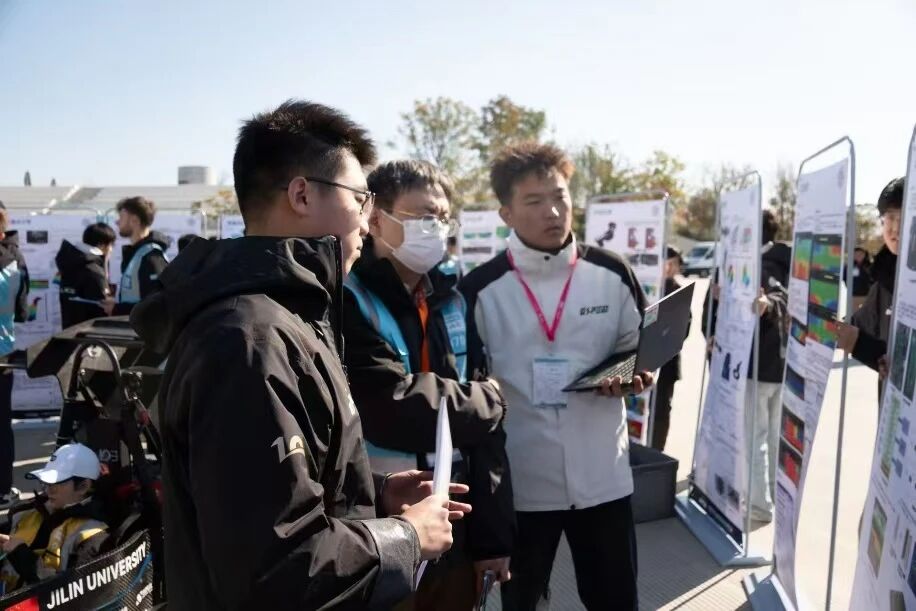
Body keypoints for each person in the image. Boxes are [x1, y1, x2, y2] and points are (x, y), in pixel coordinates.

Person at [131, 100, 469, 610]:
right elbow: (277, 566)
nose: (368, 219)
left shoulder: (290, 316)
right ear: (302, 194)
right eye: (361, 197)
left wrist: (371, 493)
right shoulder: (248, 341)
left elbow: (274, 494)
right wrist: (406, 536)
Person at [460, 142, 652, 611]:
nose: (552, 211)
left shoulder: (611, 272)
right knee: (523, 604)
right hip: (523, 485)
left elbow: (641, 349)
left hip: (604, 477)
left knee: (616, 602)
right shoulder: (480, 289)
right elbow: (468, 390)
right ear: (506, 213)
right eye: (534, 201)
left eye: (560, 197)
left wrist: (638, 374)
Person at [342, 159, 513, 609]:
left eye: (442, 218)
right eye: (422, 216)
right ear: (375, 219)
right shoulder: (347, 298)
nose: (435, 229)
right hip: (379, 527)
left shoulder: (451, 299)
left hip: (455, 525)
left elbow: (484, 429)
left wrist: (493, 538)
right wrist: (489, 399)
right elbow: (391, 407)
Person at [702, 210, 791, 522]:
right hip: (778, 365)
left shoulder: (759, 265)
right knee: (772, 437)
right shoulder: (786, 261)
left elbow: (776, 299)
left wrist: (765, 305)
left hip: (755, 365)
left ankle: (760, 505)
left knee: (756, 437)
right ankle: (773, 500)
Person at [0, 443, 108, 594]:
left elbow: (71, 594)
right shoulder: (31, 513)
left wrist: (22, 554)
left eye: (57, 482)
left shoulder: (92, 536)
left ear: (83, 486)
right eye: (46, 482)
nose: (49, 490)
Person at [838, 177, 904, 393]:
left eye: (904, 218)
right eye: (889, 218)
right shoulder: (884, 278)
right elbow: (864, 332)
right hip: (892, 407)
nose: (895, 229)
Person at [0, 202, 29, 509]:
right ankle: (3, 488)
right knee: (1, 423)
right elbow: (21, 311)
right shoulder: (15, 259)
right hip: (3, 352)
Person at [102, 196, 169, 317]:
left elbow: (156, 306)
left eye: (121, 217)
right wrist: (117, 305)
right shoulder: (138, 253)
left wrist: (118, 309)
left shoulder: (152, 256)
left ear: (134, 220)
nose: (117, 222)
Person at [651, 246, 689, 451]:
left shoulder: (678, 291)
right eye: (670, 263)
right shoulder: (648, 286)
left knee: (662, 411)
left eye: (675, 264)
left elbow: (685, 328)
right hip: (643, 362)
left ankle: (657, 451)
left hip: (667, 364)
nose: (672, 268)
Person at [55, 222, 116, 328]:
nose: (111, 250)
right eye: (111, 245)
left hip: (69, 330)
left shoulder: (69, 263)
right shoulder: (94, 270)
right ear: (102, 245)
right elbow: (104, 307)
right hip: (92, 333)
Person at [848, 247, 874, 311]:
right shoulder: (850, 266)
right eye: (856, 254)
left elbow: (873, 278)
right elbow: (845, 278)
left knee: (867, 313)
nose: (858, 256)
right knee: (853, 313)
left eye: (861, 254)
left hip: (868, 295)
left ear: (864, 255)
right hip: (854, 295)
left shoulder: (869, 266)